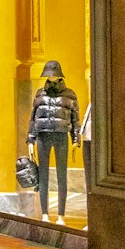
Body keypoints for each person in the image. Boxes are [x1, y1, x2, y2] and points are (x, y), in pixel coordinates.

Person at [27, 59, 81, 225]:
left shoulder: (69, 94)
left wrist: (75, 139)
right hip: (43, 135)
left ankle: (61, 215)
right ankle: (44, 213)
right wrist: (31, 139)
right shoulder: (40, 93)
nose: (50, 78)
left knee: (61, 176)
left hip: (61, 136)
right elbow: (33, 118)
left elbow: (75, 119)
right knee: (43, 176)